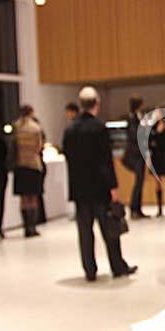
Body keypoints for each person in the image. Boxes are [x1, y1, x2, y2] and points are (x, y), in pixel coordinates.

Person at [63, 87, 137, 282]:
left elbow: (69, 158)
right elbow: (105, 161)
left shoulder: (70, 129)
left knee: (85, 232)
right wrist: (113, 187)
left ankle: (90, 270)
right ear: (97, 102)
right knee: (110, 229)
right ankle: (117, 266)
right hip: (99, 187)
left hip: (79, 189)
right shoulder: (99, 127)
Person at [13, 105, 43, 237]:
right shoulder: (35, 128)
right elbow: (39, 147)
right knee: (33, 197)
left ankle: (26, 226)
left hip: (20, 165)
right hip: (33, 164)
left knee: (23, 198)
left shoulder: (16, 127)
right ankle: (33, 226)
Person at [123, 95, 147, 219]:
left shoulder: (137, 117)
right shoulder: (132, 118)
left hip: (140, 154)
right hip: (135, 155)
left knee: (140, 182)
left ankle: (138, 208)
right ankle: (133, 208)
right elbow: (134, 135)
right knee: (138, 182)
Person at [148, 114, 165, 217]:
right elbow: (150, 142)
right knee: (157, 182)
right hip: (157, 157)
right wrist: (156, 133)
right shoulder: (153, 128)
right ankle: (159, 209)